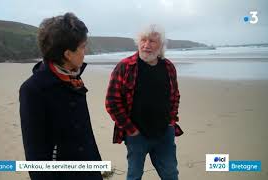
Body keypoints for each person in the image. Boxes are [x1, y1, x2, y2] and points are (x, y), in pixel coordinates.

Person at [19, 12, 103, 180]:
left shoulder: (73, 77)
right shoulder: (33, 89)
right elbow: (35, 153)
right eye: (82, 47)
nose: (84, 52)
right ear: (67, 54)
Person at [105, 24, 183, 180]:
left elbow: (175, 96)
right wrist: (131, 130)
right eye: (143, 40)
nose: (146, 45)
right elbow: (112, 102)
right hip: (136, 135)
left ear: (160, 46)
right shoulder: (125, 67)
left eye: (152, 41)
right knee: (134, 175)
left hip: (164, 133)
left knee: (171, 174)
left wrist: (171, 122)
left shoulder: (168, 67)